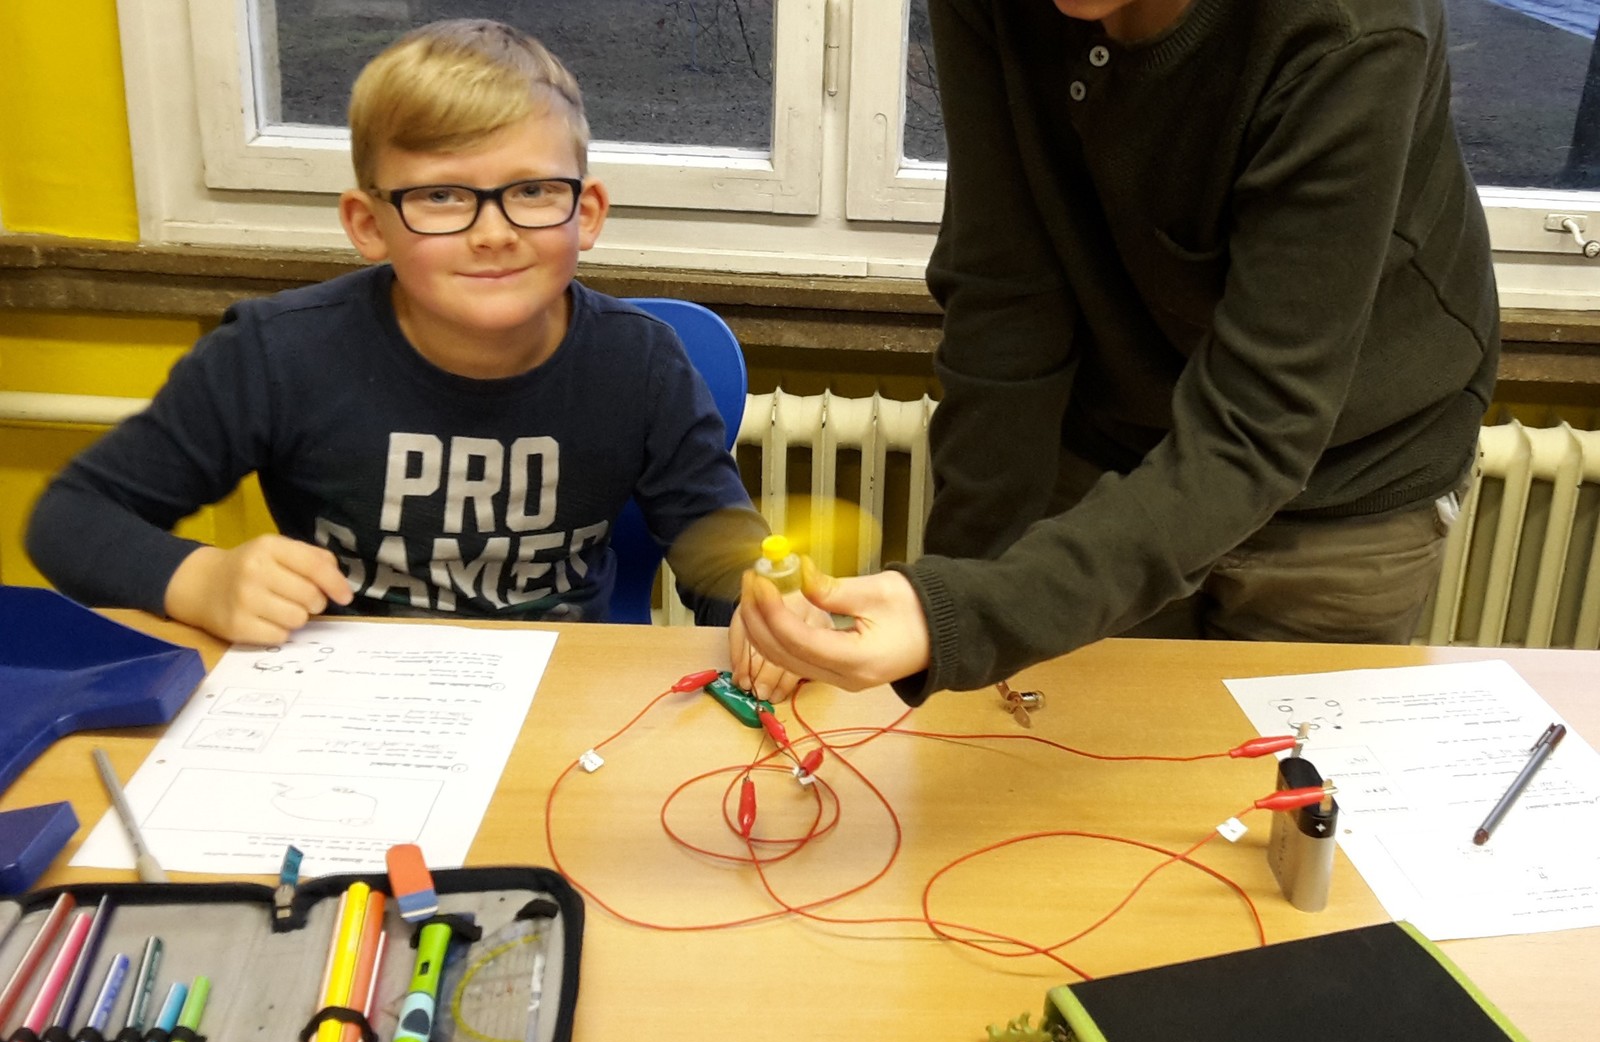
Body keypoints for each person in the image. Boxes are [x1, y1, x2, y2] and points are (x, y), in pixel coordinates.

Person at [734, 0, 1500, 705]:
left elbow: (1257, 426)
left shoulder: (1351, 27)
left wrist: (967, 614)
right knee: (1061, 767)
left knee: (1270, 790)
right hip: (1112, 456)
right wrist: (955, 594)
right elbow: (1006, 292)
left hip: (1352, 475)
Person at [26, 19, 769, 644]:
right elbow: (71, 518)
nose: (493, 233)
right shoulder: (274, 354)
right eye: (440, 196)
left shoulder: (641, 362)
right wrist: (202, 579)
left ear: (587, 212)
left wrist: (764, 608)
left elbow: (720, 547)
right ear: (368, 224)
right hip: (339, 695)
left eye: (533, 190)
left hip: (559, 690)